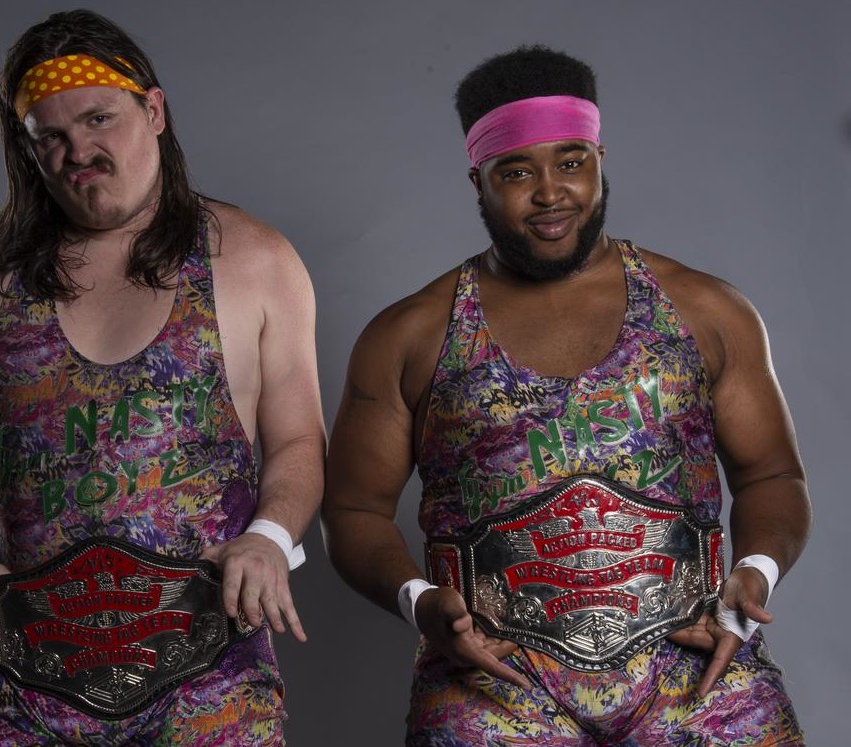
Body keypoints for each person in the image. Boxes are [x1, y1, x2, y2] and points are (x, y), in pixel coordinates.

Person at [322, 45, 810, 745]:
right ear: (479, 181)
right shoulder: (411, 334)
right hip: (495, 687)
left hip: (698, 675)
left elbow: (772, 474)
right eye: (517, 172)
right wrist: (420, 602)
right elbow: (353, 509)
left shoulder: (706, 310)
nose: (550, 193)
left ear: (600, 160)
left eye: (571, 162)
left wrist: (756, 572)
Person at [0, 9, 325, 746]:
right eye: (49, 136)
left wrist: (271, 537)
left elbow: (300, 437)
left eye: (98, 119)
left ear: (154, 111)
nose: (78, 151)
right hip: (17, 685)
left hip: (208, 686)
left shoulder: (253, 259)